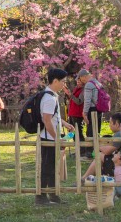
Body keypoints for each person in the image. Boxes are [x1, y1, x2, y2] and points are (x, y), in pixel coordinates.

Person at [36, 68, 74, 206]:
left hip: (51, 137)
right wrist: (56, 138)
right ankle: (41, 197)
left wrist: (65, 123)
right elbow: (47, 120)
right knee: (47, 168)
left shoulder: (52, 96)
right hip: (48, 138)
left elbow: (53, 116)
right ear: (55, 81)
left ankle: (53, 195)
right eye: (63, 81)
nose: (64, 84)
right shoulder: (49, 98)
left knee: (52, 167)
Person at [79, 69, 105, 147]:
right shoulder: (98, 83)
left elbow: (87, 100)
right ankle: (96, 149)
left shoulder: (88, 84)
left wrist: (84, 113)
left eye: (80, 78)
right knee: (97, 131)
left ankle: (90, 150)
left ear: (83, 77)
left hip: (92, 109)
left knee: (90, 132)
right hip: (99, 109)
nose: (81, 80)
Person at [68, 72, 91, 157]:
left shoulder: (83, 90)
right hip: (72, 113)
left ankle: (82, 151)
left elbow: (79, 101)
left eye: (79, 81)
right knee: (73, 132)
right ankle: (78, 149)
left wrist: (70, 95)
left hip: (77, 114)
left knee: (78, 133)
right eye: (77, 81)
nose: (78, 82)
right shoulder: (76, 88)